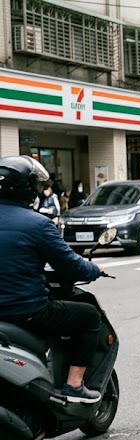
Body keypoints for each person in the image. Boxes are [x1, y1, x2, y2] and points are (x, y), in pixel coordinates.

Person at [0, 156, 105, 403]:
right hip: (28, 312)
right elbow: (72, 266)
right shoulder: (38, 224)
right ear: (27, 188)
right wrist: (94, 269)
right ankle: (74, 385)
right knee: (89, 316)